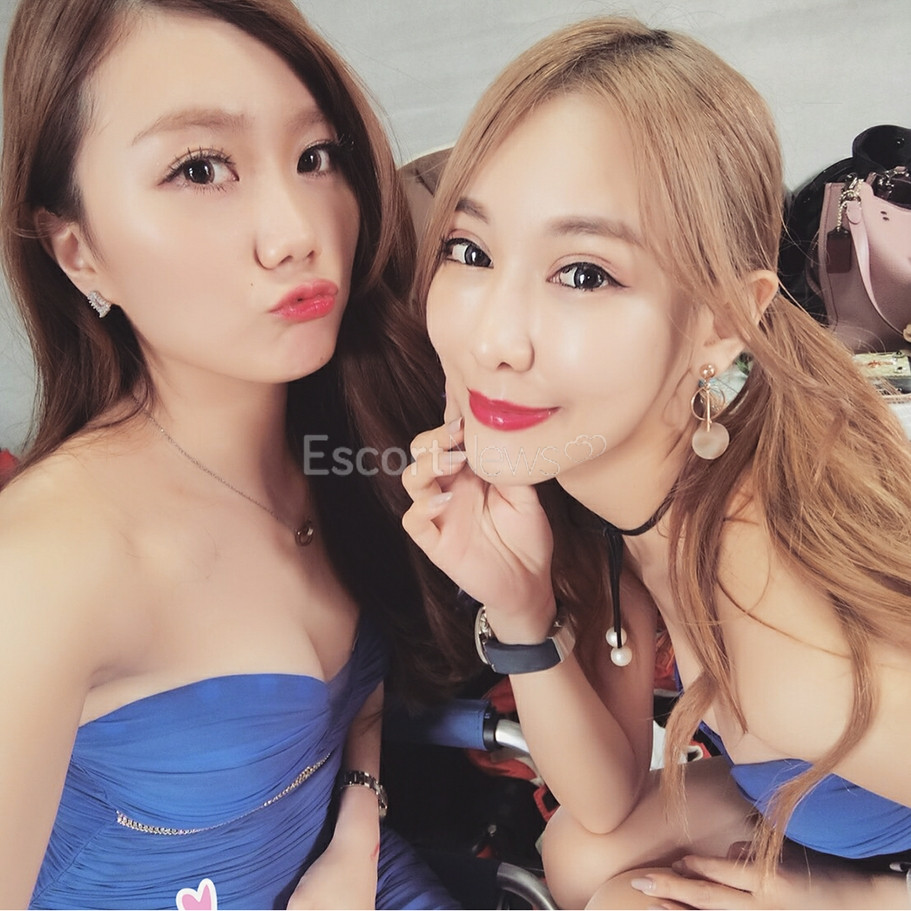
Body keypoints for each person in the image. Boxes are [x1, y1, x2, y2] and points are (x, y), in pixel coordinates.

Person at [402, 16, 911, 910]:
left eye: (584, 274)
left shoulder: (789, 647)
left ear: (722, 322)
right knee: (586, 858)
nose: (490, 339)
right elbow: (601, 800)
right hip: (821, 800)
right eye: (470, 251)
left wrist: (861, 901)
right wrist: (518, 607)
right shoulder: (610, 487)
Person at [0, 0, 456, 907]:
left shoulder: (346, 441)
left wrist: (356, 828)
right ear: (78, 252)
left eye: (315, 156)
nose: (296, 231)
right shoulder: (45, 569)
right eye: (200, 168)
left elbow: (358, 698)